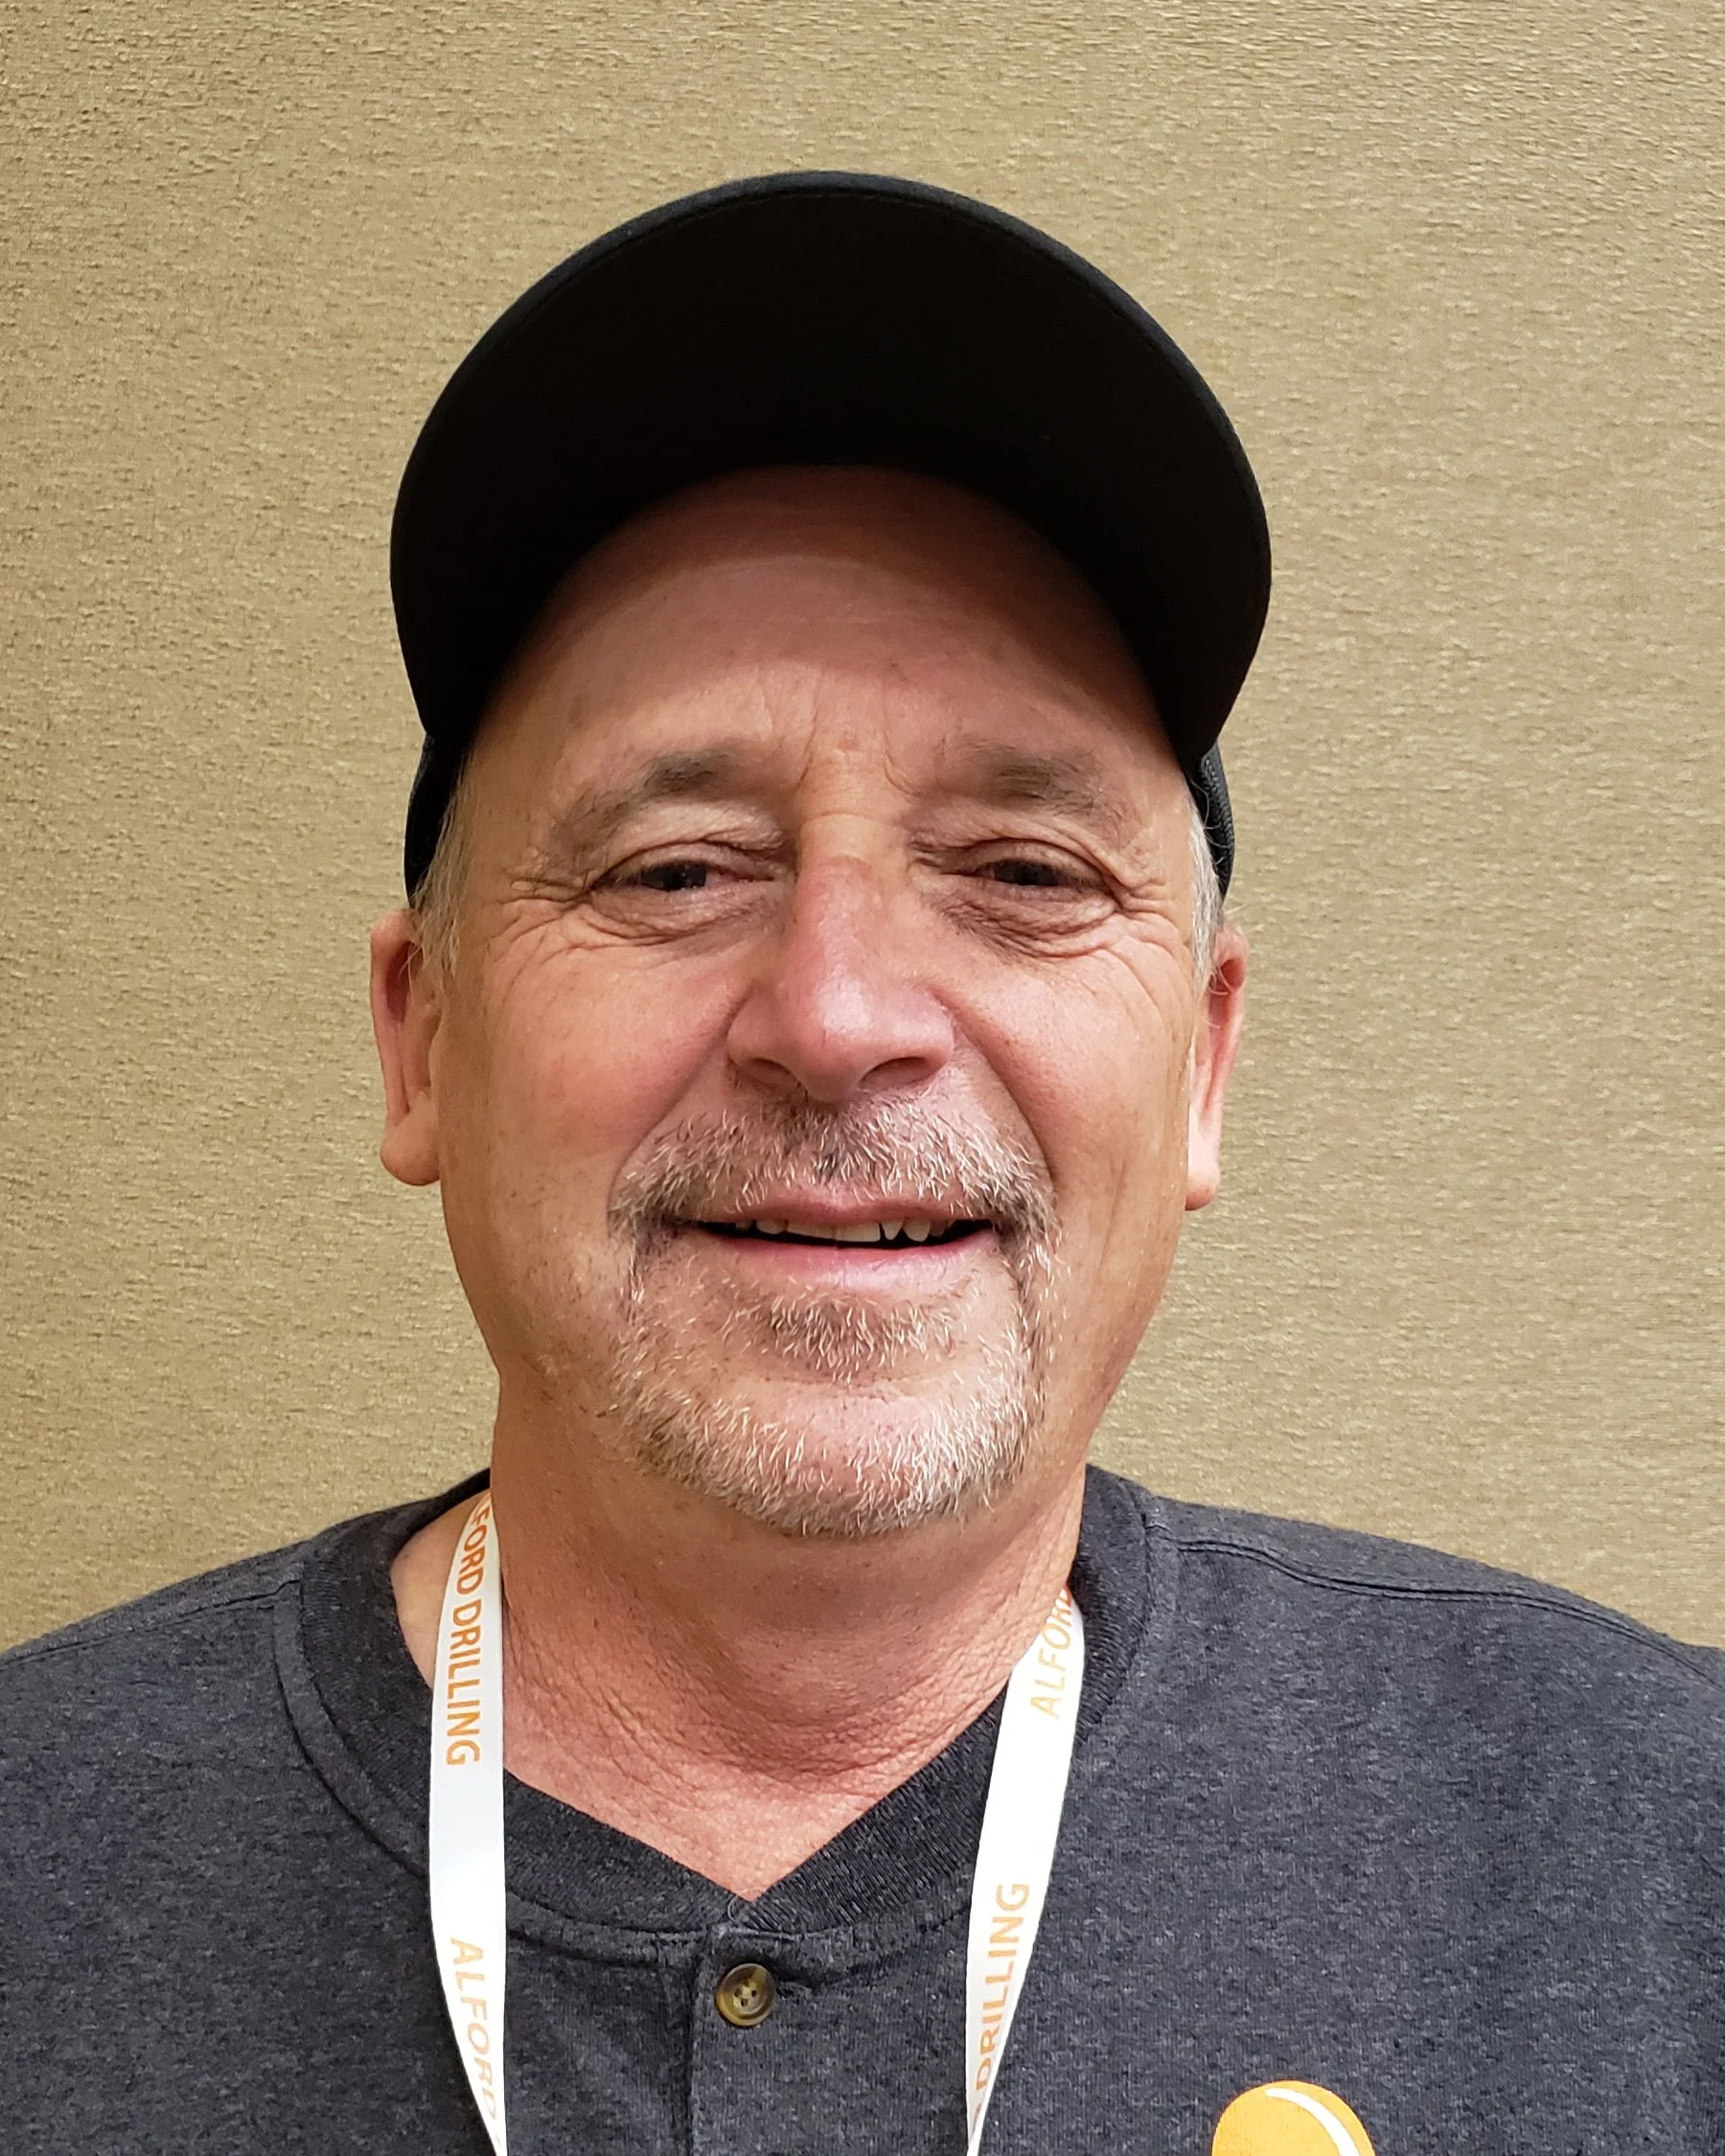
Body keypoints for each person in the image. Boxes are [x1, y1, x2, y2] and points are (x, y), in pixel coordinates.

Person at [2, 173, 1719, 2156]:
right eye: (674, 870)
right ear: (423, 1037)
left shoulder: (1661, 1864)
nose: (836, 1015)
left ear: (1205, 1074)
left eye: (1023, 875)